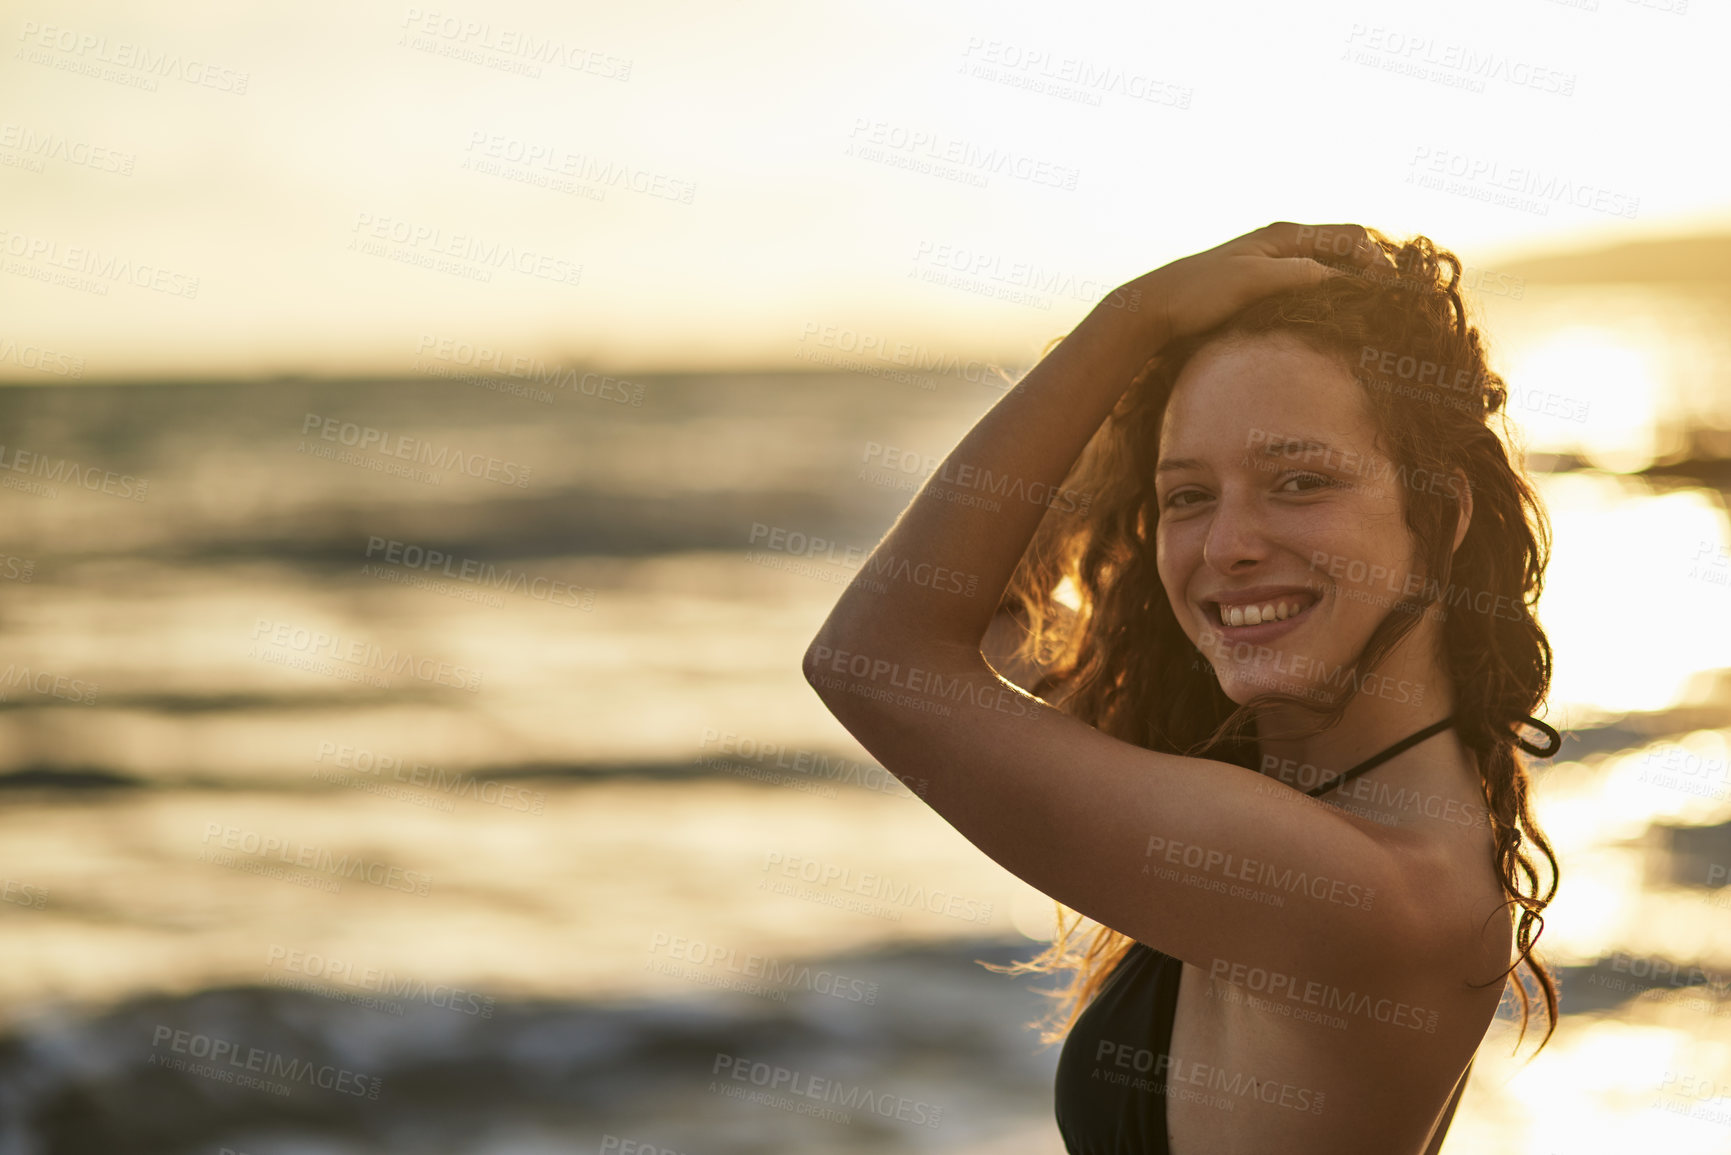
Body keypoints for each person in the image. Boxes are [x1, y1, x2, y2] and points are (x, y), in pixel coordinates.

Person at [803, 222, 1561, 1153]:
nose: (1226, 546)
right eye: (1187, 498)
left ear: (1438, 513)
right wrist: (1144, 395)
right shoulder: (1308, 785)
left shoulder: (1368, 890)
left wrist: (1130, 321)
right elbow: (999, 612)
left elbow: (873, 656)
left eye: (1297, 480)